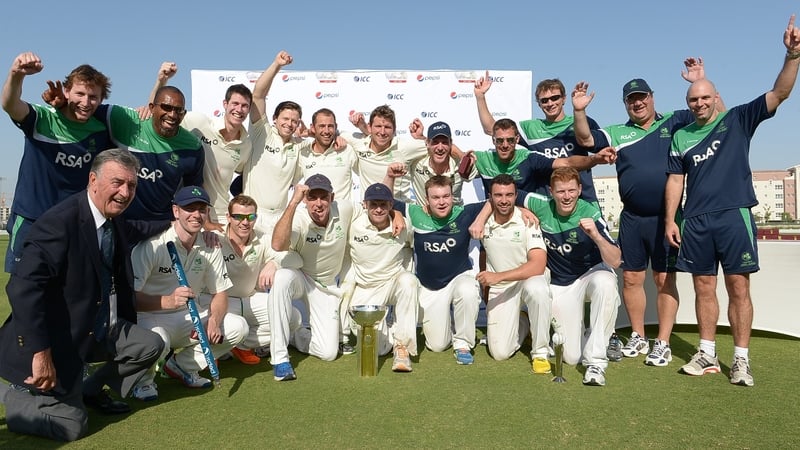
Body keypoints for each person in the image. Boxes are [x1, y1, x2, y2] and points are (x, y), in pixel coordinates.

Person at [664, 14, 800, 387]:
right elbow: (676, 180)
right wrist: (670, 219)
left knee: (739, 286)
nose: (699, 103)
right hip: (695, 220)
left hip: (733, 215)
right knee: (703, 287)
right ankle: (707, 353)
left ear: (715, 97)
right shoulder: (681, 136)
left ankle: (740, 360)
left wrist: (792, 56)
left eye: (705, 97)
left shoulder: (738, 120)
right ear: (688, 103)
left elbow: (780, 93)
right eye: (694, 99)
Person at [0, 149, 165, 441]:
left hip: (98, 327)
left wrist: (184, 221)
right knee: (72, 426)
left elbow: (143, 226)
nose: (125, 192)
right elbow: (22, 287)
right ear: (93, 180)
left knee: (149, 345)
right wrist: (39, 352)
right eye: (117, 182)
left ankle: (88, 389)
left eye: (132, 185)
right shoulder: (59, 223)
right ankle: (14, 398)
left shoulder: (115, 220)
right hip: (58, 339)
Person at [571, 58, 717, 365]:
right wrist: (580, 110)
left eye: (642, 98)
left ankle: (662, 341)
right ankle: (638, 335)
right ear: (626, 104)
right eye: (631, 100)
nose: (637, 104)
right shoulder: (617, 132)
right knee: (631, 279)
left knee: (665, 280)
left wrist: (699, 81)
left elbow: (718, 116)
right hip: (632, 218)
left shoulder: (675, 121)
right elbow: (585, 139)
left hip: (667, 219)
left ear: (652, 98)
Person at [130, 186, 247, 400]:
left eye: (202, 209)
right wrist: (168, 301)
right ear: (176, 211)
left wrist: (214, 319)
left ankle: (181, 367)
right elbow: (129, 298)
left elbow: (220, 293)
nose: (196, 215)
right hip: (149, 316)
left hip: (187, 316)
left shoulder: (211, 244)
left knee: (237, 327)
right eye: (189, 209)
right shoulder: (153, 244)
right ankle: (143, 381)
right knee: (159, 340)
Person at [1, 52, 114, 273]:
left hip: (76, 223)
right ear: (67, 92)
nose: (85, 102)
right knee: (26, 293)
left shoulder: (103, 131)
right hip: (32, 219)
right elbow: (10, 104)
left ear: (101, 99)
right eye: (79, 94)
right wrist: (16, 74)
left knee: (70, 295)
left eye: (93, 97)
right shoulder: (43, 119)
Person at [523, 168, 622, 386]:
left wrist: (596, 235)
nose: (566, 196)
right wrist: (523, 210)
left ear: (579, 190)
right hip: (561, 284)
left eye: (571, 191)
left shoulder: (591, 212)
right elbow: (508, 194)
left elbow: (615, 260)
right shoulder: (540, 204)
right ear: (551, 192)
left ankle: (596, 363)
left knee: (607, 281)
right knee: (570, 357)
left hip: (589, 275)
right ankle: (594, 332)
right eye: (560, 192)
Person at [268, 174, 355, 380]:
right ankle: (280, 359)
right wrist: (293, 203)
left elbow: (373, 209)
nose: (318, 204)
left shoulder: (345, 209)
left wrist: (396, 214)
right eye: (312, 198)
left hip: (326, 287)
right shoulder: (298, 217)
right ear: (305, 200)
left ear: (331, 197)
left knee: (328, 353)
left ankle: (295, 335)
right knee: (281, 278)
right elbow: (278, 245)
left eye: (323, 197)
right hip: (301, 277)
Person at [149, 62, 253, 227]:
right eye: (235, 104)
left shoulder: (246, 144)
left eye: (244, 106)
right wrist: (161, 81)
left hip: (221, 215)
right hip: (190, 212)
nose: (239, 109)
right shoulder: (199, 123)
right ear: (225, 104)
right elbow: (159, 115)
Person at [474, 72, 602, 204]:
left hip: (583, 199)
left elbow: (601, 151)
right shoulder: (531, 128)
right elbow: (492, 129)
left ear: (564, 99)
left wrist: (579, 111)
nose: (550, 103)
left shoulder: (581, 121)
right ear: (539, 104)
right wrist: (480, 97)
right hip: (547, 205)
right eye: (544, 100)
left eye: (555, 98)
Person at [90, 86, 205, 221]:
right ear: (151, 107)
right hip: (118, 220)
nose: (172, 115)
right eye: (166, 107)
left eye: (178, 110)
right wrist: (62, 103)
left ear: (184, 114)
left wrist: (207, 222)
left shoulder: (193, 146)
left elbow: (193, 191)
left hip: (160, 225)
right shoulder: (128, 120)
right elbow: (85, 108)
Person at [404, 175, 486, 365]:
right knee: (437, 345)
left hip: (459, 277)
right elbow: (386, 203)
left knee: (467, 289)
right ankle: (446, 327)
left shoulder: (464, 213)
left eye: (446, 196)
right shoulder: (416, 213)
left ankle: (463, 344)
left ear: (453, 197)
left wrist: (480, 220)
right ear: (427, 200)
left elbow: (495, 202)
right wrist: (396, 216)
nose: (442, 202)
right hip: (431, 288)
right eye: (436, 197)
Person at [478, 175, 551, 373]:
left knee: (536, 288)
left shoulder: (527, 220)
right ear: (490, 197)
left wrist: (497, 277)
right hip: (502, 288)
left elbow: (538, 265)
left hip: (529, 279)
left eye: (509, 195)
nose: (504, 200)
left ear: (516, 195)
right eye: (498, 195)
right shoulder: (483, 220)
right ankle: (524, 321)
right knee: (500, 353)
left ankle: (540, 353)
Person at [219, 195, 304, 365]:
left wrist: (274, 263)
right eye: (238, 217)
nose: (245, 222)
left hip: (249, 299)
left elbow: (297, 259)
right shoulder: (214, 238)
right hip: (219, 302)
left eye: (250, 217)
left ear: (256, 218)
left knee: (293, 318)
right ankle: (213, 348)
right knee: (237, 327)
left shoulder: (262, 237)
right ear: (228, 217)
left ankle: (238, 345)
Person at [344, 182, 418, 371]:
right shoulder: (354, 226)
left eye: (383, 205)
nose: (378, 209)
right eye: (373, 204)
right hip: (367, 287)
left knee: (409, 281)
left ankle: (402, 348)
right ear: (365, 205)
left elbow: (413, 247)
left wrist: (398, 216)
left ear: (391, 205)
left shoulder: (403, 226)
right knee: (377, 349)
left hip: (393, 281)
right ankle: (395, 331)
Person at [241, 50, 303, 233]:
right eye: (285, 119)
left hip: (280, 219)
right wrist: (277, 65)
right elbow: (258, 96)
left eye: (294, 121)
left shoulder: (299, 145)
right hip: (251, 216)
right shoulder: (262, 132)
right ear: (275, 118)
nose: (289, 124)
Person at [342, 106, 428, 203]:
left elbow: (438, 146)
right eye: (378, 126)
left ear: (394, 130)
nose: (382, 132)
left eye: (387, 127)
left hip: (397, 210)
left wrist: (421, 137)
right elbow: (330, 133)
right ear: (369, 127)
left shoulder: (404, 146)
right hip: (368, 210)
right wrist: (338, 139)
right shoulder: (359, 142)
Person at [297, 108, 359, 201]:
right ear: (313, 127)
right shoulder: (303, 153)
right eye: (321, 126)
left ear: (336, 127)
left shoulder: (347, 150)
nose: (326, 131)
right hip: (314, 213)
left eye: (330, 126)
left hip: (342, 214)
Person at [409, 121, 470, 206]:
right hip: (424, 216)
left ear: (451, 143)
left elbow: (473, 174)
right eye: (435, 142)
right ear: (427, 143)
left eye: (444, 142)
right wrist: (421, 138)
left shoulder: (460, 163)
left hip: (455, 216)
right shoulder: (416, 160)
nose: (440, 148)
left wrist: (461, 155)